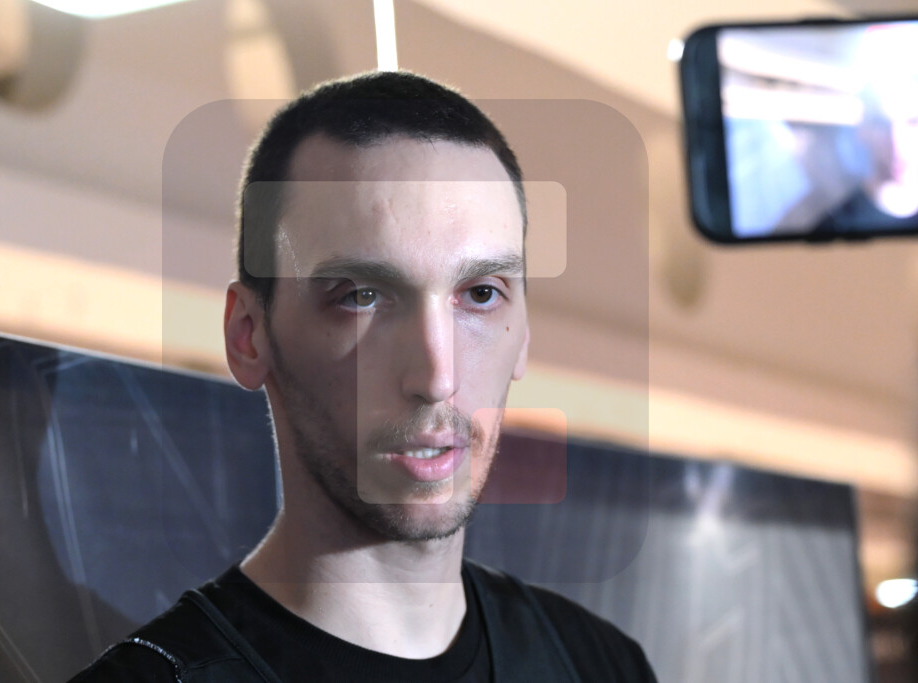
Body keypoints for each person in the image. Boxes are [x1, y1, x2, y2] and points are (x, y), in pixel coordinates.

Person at [70, 71, 657, 682]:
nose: (437, 377)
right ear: (249, 335)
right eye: (361, 296)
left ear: (525, 333)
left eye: (481, 294)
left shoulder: (599, 665)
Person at [816, 76, 918, 233]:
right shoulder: (834, 229)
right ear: (862, 131)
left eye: (913, 122)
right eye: (882, 124)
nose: (896, 141)